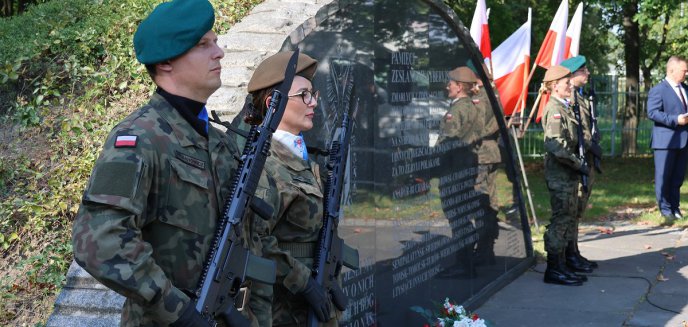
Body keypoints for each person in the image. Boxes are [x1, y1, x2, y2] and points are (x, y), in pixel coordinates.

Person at [71, 0, 254, 325]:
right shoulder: (137, 139)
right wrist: (178, 311)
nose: (219, 52)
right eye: (203, 44)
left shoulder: (215, 137)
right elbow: (100, 241)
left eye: (215, 41)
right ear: (167, 61)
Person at [241, 51, 347, 327]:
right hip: (287, 309)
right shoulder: (263, 163)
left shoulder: (301, 155)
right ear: (272, 103)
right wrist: (303, 282)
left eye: (313, 94)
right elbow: (257, 240)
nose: (313, 102)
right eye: (304, 95)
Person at [541, 65, 589, 286]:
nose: (570, 84)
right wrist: (578, 164)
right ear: (554, 85)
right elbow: (556, 146)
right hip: (561, 173)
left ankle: (562, 264)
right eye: (566, 82)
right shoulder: (555, 109)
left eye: (570, 81)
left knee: (568, 217)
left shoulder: (565, 107)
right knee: (561, 219)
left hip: (568, 173)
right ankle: (553, 268)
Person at [436, 66, 482, 278]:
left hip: (454, 169)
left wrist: (430, 160)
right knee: (462, 214)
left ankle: (463, 263)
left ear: (460, 86)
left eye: (451, 83)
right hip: (466, 167)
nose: (448, 86)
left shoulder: (457, 110)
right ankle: (468, 261)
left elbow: (448, 142)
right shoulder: (471, 107)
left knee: (457, 216)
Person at [560, 55, 599, 273]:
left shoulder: (583, 97)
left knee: (579, 209)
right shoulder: (570, 99)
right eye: (584, 70)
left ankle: (573, 250)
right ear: (573, 74)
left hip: (586, 159)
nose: (588, 74)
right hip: (576, 161)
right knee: (572, 209)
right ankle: (567, 253)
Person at [647, 56, 688, 223]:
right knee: (664, 176)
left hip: (683, 140)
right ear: (672, 70)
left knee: (677, 177)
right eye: (684, 70)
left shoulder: (685, 88)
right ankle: (665, 209)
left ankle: (675, 207)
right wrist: (675, 119)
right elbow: (652, 112)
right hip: (665, 140)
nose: (686, 73)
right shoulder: (659, 89)